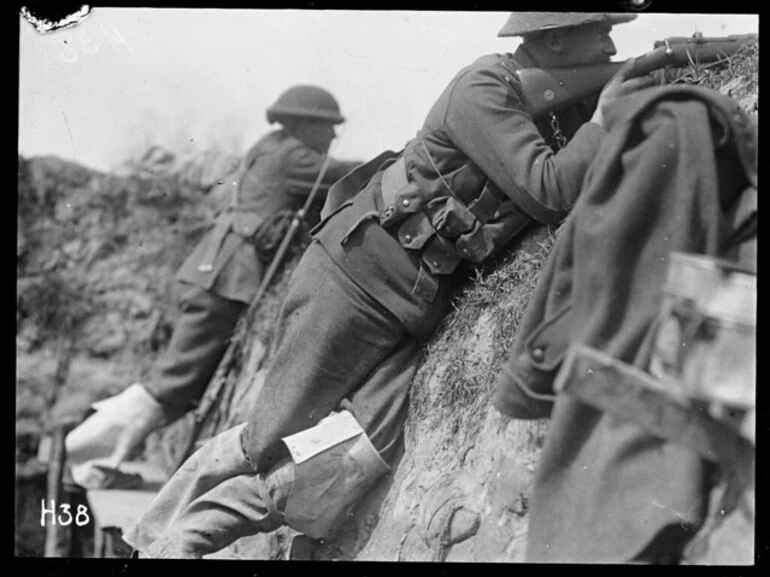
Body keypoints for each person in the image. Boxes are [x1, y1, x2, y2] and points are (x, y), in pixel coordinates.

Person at [123, 12, 658, 558]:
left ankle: (193, 538)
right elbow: (548, 188)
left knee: (363, 451)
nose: (612, 42)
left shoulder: (553, 101)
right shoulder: (481, 89)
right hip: (352, 281)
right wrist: (603, 120)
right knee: (268, 437)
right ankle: (155, 539)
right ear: (558, 37)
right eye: (601, 31)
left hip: (415, 309)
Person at [64, 85, 362, 485]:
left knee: (182, 381)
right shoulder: (292, 156)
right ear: (305, 125)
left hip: (215, 269)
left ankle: (95, 461)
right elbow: (350, 176)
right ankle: (84, 452)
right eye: (328, 129)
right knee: (177, 381)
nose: (331, 138)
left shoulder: (269, 148)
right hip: (228, 276)